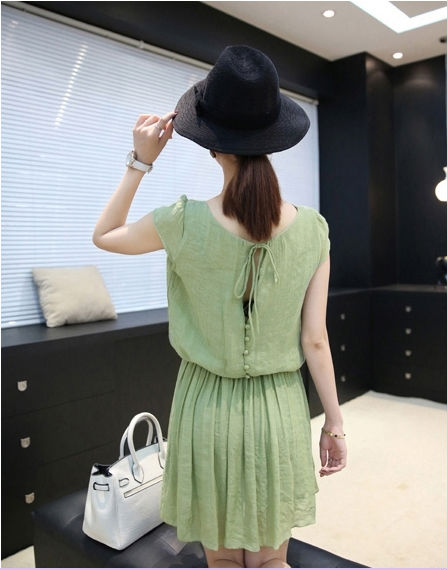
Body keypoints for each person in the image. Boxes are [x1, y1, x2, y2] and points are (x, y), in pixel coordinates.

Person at [92, 45, 347, 569]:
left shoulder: (182, 221)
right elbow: (315, 339)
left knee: (224, 563)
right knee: (272, 562)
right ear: (274, 140)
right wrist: (335, 424)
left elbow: (106, 235)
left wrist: (140, 161)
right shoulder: (313, 230)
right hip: (278, 411)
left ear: (211, 146)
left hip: (205, 409)